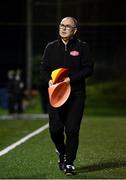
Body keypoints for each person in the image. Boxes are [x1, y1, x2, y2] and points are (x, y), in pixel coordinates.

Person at [40, 17, 93, 175]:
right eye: (62, 25)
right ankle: (61, 152)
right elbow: (43, 69)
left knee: (72, 129)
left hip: (76, 94)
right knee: (55, 129)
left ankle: (69, 163)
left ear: (74, 30)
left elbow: (89, 69)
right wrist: (49, 80)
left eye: (68, 26)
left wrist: (71, 79)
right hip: (56, 94)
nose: (63, 28)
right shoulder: (50, 47)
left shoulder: (82, 47)